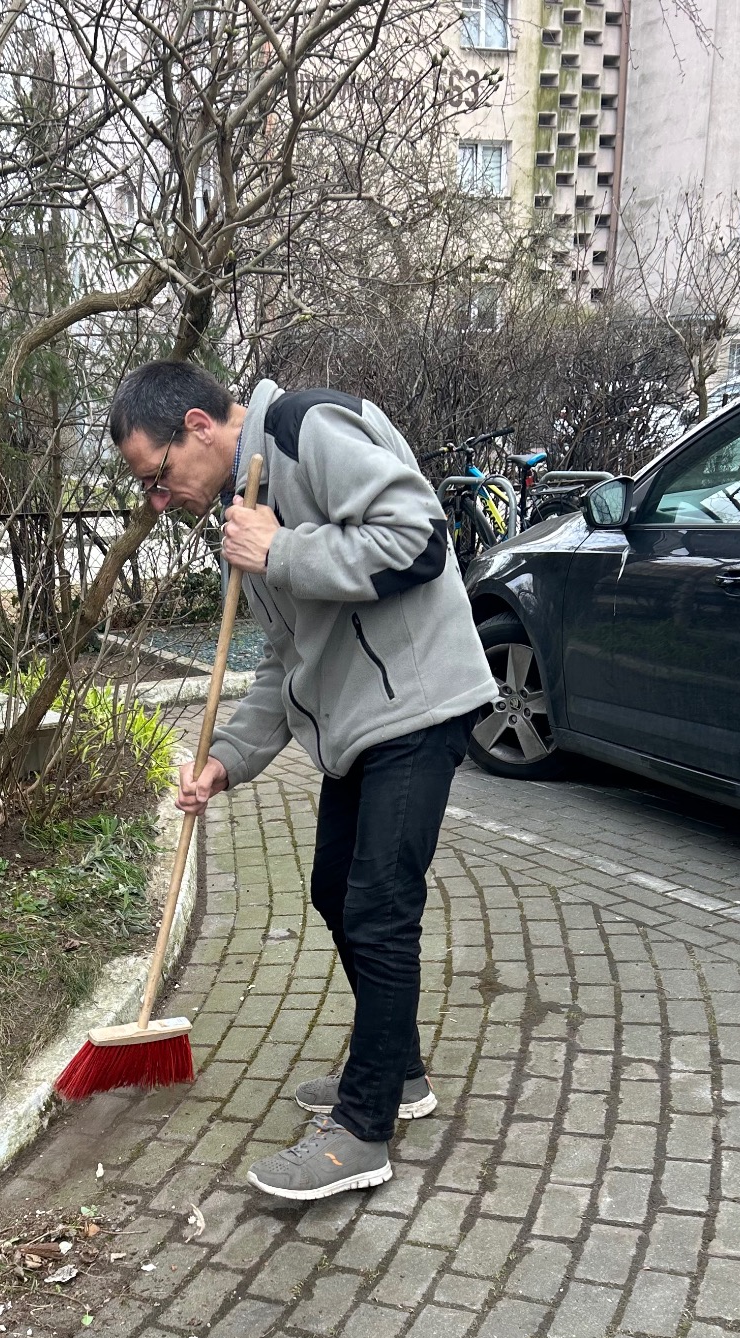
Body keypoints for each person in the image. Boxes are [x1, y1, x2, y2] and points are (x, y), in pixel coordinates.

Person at [109, 360, 498, 1201]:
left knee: (377, 907)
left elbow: (419, 540)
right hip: (359, 728)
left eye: (157, 475)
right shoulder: (240, 517)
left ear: (197, 426)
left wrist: (282, 547)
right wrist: (223, 760)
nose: (157, 498)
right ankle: (397, 1073)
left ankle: (363, 1130)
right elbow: (284, 668)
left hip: (420, 703)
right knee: (333, 889)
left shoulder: (307, 429)